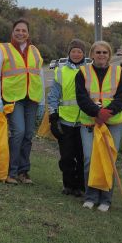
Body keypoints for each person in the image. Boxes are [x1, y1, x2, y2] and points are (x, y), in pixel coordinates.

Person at [75, 40, 122, 212]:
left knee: (108, 159)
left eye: (105, 52)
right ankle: (90, 196)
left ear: (109, 55)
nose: (101, 55)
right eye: (98, 52)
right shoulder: (82, 72)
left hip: (113, 123)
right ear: (92, 55)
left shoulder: (119, 72)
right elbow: (81, 98)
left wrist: (107, 112)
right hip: (90, 122)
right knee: (90, 158)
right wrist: (96, 113)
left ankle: (105, 199)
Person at [0, 18, 45, 184]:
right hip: (13, 99)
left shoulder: (35, 50)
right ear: (12, 32)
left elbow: (39, 75)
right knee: (18, 132)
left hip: (32, 99)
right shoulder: (3, 49)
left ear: (28, 33)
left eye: (24, 31)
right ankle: (11, 172)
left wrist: (42, 101)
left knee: (28, 135)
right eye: (18, 30)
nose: (21, 33)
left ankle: (23, 172)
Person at [47, 39, 86, 196]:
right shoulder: (60, 71)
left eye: (79, 51)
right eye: (73, 51)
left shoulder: (89, 71)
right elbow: (53, 96)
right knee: (67, 156)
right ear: (69, 53)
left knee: (82, 156)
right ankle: (68, 184)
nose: (76, 54)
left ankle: (80, 186)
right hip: (65, 121)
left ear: (84, 54)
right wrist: (53, 116)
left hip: (84, 122)